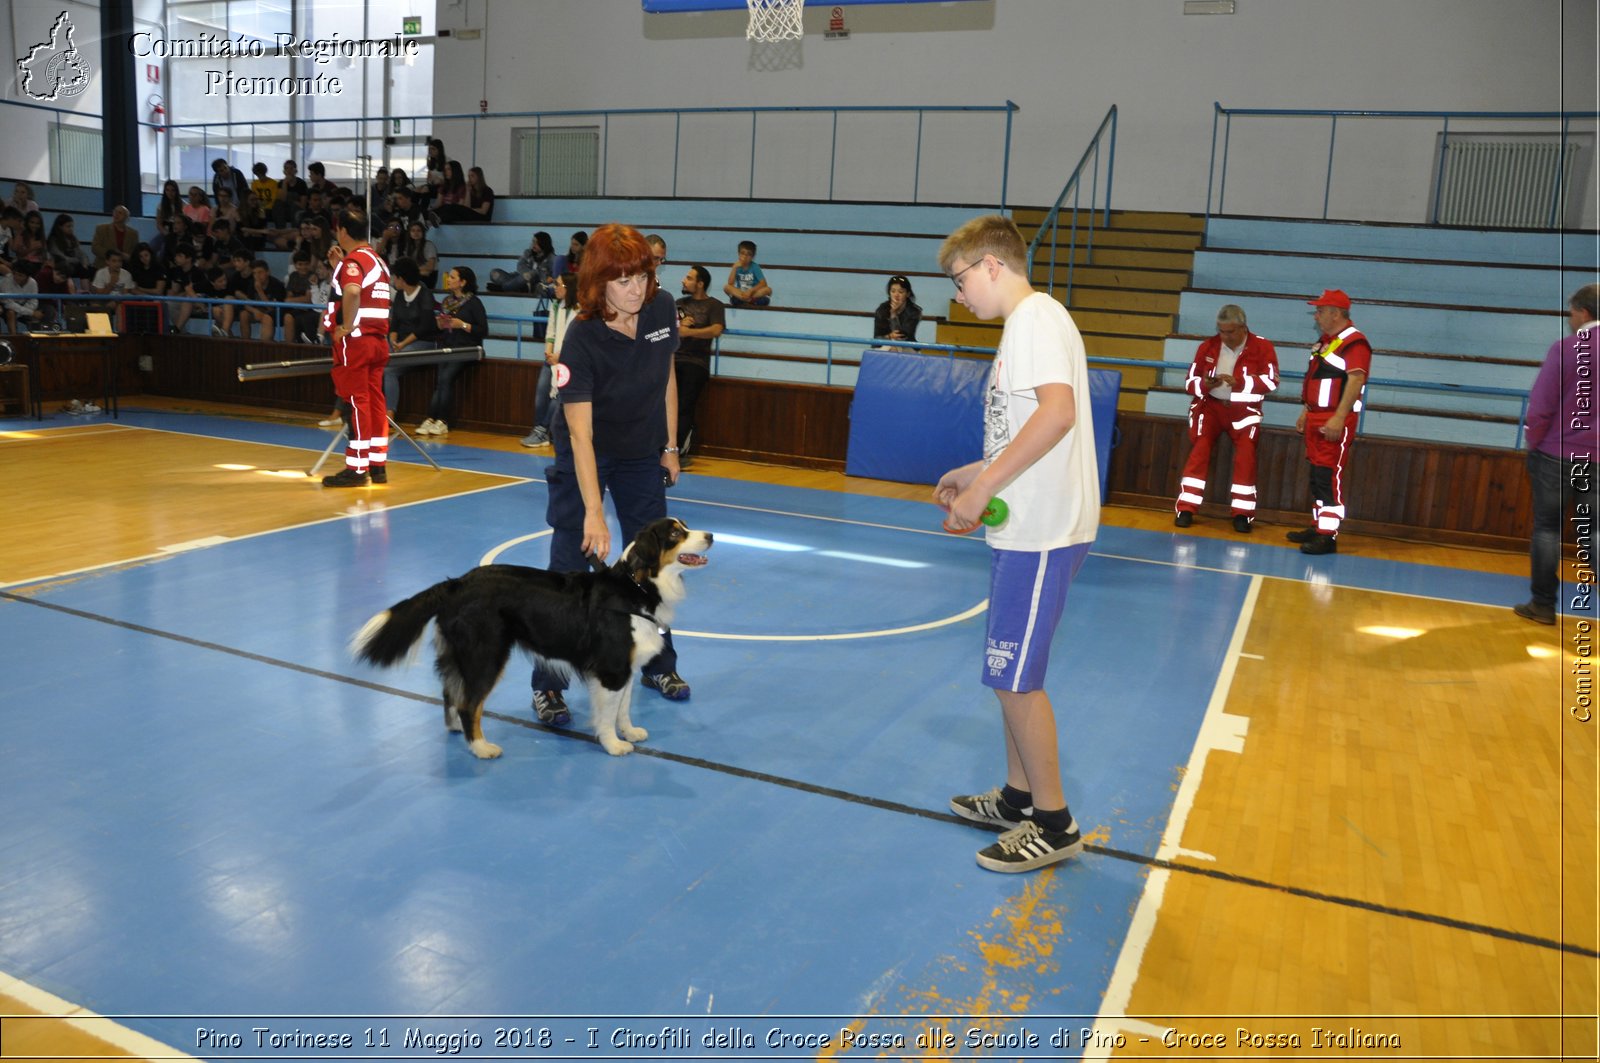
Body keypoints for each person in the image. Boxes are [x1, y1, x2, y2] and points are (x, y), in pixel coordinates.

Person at [934, 215, 1100, 874]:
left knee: (1015, 678)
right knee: (1009, 672)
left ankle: (1053, 822)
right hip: (1029, 524)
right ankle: (1017, 796)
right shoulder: (1031, 324)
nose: (959, 294)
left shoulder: (1033, 320)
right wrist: (975, 473)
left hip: (1041, 531)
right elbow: (1031, 426)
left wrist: (984, 489)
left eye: (961, 279)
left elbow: (1057, 413)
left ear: (992, 265)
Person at [529, 223, 687, 725]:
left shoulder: (661, 310)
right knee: (567, 567)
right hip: (587, 453)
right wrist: (595, 513)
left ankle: (659, 664)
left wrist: (669, 446)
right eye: (623, 281)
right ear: (599, 282)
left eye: (642, 276)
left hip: (643, 451)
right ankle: (549, 685)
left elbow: (667, 376)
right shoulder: (581, 337)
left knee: (657, 566)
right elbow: (579, 436)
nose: (637, 289)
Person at [1515, 283, 1600, 625]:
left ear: (1582, 312)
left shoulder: (1565, 349)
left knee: (1548, 529)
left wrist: (1533, 443)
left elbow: (1541, 407)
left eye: (1571, 312)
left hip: (1556, 454)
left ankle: (1543, 605)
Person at [1173, 303, 1280, 533]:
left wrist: (1240, 383)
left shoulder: (1262, 347)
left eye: (1230, 332)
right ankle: (1186, 509)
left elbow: (1271, 382)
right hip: (1210, 408)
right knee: (1199, 451)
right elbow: (1189, 383)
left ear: (1243, 328)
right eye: (1221, 331)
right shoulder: (1208, 346)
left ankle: (1242, 514)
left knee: (1246, 456)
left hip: (1244, 411)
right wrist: (1205, 384)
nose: (1225, 336)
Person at [1286, 289, 1372, 555]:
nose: (1317, 315)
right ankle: (1318, 524)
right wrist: (1306, 410)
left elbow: (1356, 380)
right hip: (1316, 416)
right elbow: (1317, 380)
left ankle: (1328, 535)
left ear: (1336, 313)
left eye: (1320, 310)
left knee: (1327, 475)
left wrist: (1338, 417)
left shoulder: (1354, 342)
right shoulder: (1326, 341)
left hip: (1334, 419)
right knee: (1316, 475)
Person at [321, 208, 391, 487]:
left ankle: (357, 468)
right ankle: (377, 465)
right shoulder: (378, 260)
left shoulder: (355, 260)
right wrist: (340, 265)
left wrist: (346, 326)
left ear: (343, 232)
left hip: (357, 341)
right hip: (377, 341)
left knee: (356, 402)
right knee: (374, 401)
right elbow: (362, 288)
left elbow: (351, 291)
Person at [414, 265, 486, 436]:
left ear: (462, 282)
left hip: (466, 348)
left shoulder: (474, 303)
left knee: (446, 378)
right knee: (440, 380)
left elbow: (483, 330)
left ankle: (443, 420)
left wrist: (461, 324)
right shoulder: (446, 302)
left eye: (453, 277)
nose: (449, 280)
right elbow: (439, 329)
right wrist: (440, 325)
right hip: (447, 346)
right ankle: (431, 418)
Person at [521, 270, 577, 448]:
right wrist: (549, 353)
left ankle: (543, 430)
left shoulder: (582, 309)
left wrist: (560, 357)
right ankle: (538, 428)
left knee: (557, 396)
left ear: (569, 288)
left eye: (559, 284)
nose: (555, 287)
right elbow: (551, 333)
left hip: (570, 362)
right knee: (541, 394)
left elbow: (577, 340)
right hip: (552, 358)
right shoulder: (555, 306)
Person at [674, 265, 724, 460]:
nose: (683, 281)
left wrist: (690, 332)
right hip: (674, 360)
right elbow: (671, 329)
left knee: (685, 405)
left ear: (700, 284)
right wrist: (678, 325)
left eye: (689, 278)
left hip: (696, 362)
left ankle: (679, 449)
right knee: (665, 405)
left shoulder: (715, 305)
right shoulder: (679, 303)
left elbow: (716, 330)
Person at [382, 256, 440, 413]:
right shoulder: (400, 296)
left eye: (395, 276)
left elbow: (425, 327)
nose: (393, 279)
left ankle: (389, 413)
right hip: (400, 342)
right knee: (376, 359)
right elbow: (395, 323)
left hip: (422, 342)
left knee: (390, 370)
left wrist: (403, 344)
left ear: (402, 278)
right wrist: (393, 341)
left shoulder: (425, 295)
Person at [237, 259, 288, 341]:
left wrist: (260, 291)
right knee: (244, 315)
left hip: (275, 313)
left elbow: (272, 309)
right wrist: (254, 311)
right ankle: (245, 344)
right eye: (254, 273)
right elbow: (247, 304)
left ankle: (264, 347)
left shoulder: (277, 285)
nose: (257, 276)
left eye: (260, 272)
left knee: (266, 317)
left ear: (268, 272)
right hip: (259, 310)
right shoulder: (252, 283)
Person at [489, 230, 554, 294]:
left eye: (536, 242)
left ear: (543, 243)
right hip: (520, 279)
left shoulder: (551, 258)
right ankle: (517, 288)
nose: (533, 244)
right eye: (533, 242)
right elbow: (520, 266)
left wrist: (532, 274)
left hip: (535, 284)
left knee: (529, 275)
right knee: (494, 273)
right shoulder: (528, 252)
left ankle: (504, 288)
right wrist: (528, 274)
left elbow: (546, 277)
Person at [45, 215, 92, 292]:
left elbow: (80, 253)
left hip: (72, 262)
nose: (71, 229)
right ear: (60, 227)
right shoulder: (53, 239)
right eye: (68, 226)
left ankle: (86, 292)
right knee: (67, 266)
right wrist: (75, 260)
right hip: (59, 263)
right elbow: (59, 255)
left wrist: (84, 262)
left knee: (86, 269)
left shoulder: (72, 239)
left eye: (72, 226)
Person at [872, 274, 922, 344]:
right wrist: (889, 336)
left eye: (901, 292)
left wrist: (893, 315)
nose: (896, 295)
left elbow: (901, 338)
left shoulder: (914, 311)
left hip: (907, 346)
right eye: (893, 291)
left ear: (907, 294)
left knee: (895, 348)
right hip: (883, 345)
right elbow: (876, 338)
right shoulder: (882, 309)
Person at [723, 239, 772, 306]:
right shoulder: (736, 267)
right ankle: (747, 300)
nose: (745, 257)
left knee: (768, 290)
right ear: (738, 254)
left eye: (749, 254)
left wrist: (751, 291)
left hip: (753, 294)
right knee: (726, 287)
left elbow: (763, 283)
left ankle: (748, 299)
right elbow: (730, 283)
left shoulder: (755, 267)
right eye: (742, 253)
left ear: (753, 257)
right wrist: (734, 268)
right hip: (741, 294)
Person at [0, 259, 43, 333]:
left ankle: (35, 339)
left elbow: (33, 302)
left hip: (23, 307)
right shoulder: (6, 280)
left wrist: (27, 312)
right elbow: (8, 304)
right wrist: (30, 312)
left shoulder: (33, 283)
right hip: (5, 307)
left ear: (28, 276)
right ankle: (14, 338)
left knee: (37, 315)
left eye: (20, 275)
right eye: (15, 274)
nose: (16, 277)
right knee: (11, 312)